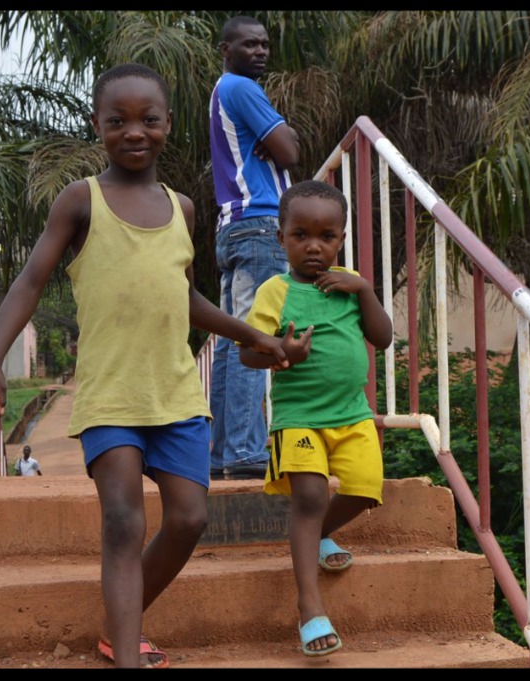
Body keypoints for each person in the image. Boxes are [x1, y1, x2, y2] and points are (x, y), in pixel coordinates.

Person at [0, 63, 293, 669]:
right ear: (98, 125)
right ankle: (125, 652)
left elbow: (187, 298)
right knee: (122, 518)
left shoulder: (183, 209)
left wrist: (253, 334)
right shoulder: (80, 201)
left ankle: (120, 622)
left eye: (149, 119)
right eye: (118, 121)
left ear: (168, 124)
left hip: (173, 393)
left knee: (190, 519)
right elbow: (32, 281)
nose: (134, 132)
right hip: (112, 394)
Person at [239, 180, 393, 657]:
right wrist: (282, 353)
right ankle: (310, 608)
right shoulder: (274, 290)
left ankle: (323, 532)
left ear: (341, 239)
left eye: (326, 236)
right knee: (308, 495)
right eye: (300, 235)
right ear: (280, 238)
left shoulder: (349, 285)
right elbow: (248, 354)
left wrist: (364, 288)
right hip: (298, 416)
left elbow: (383, 337)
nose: (314, 246)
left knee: (367, 490)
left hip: (352, 415)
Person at [208, 15, 300, 481]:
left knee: (230, 342)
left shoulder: (223, 91)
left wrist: (277, 141)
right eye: (249, 44)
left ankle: (225, 451)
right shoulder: (241, 88)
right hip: (260, 222)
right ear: (226, 48)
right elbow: (290, 150)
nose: (260, 52)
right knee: (250, 338)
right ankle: (245, 451)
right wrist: (282, 136)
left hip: (235, 225)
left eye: (265, 45)